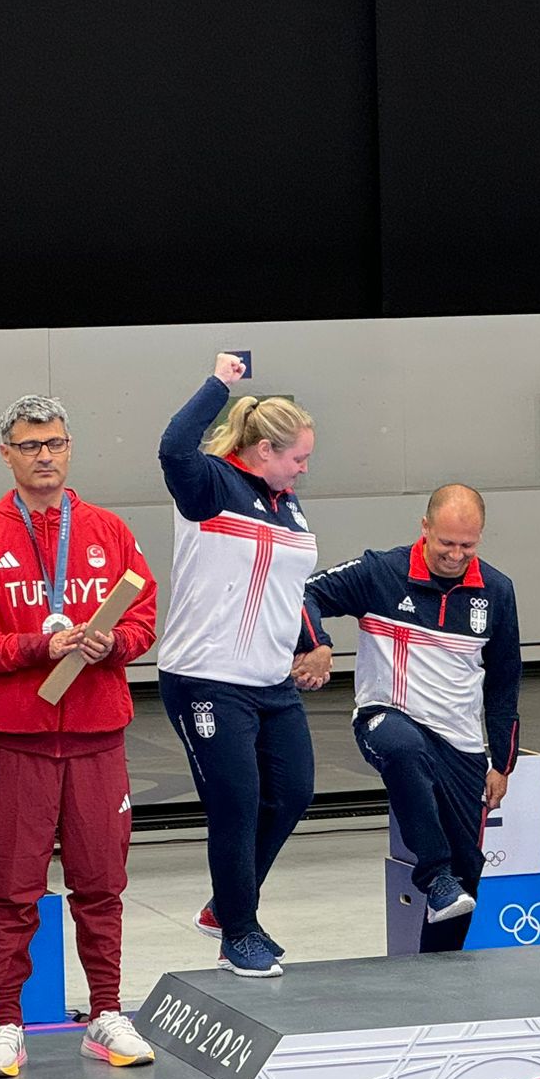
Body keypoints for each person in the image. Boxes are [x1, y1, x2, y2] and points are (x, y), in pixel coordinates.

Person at [0, 396, 160, 1077]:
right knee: (11, 887)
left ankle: (105, 1011)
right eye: (32, 445)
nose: (46, 456)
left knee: (102, 883)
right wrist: (40, 645)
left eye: (57, 444)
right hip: (17, 737)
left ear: (71, 449)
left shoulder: (109, 530)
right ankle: (6, 1021)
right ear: (5, 453)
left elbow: (145, 618)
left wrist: (113, 642)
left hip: (96, 732)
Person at [294, 485, 521, 951]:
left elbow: (504, 683)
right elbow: (303, 591)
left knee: (468, 876)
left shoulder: (497, 591)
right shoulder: (381, 572)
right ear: (424, 528)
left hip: (460, 743)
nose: (455, 555)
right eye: (446, 543)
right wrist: (316, 643)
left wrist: (502, 761)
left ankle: (441, 976)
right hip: (387, 716)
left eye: (468, 545)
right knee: (404, 747)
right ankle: (432, 872)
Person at [157, 353, 319, 978]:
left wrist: (314, 638)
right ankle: (239, 933)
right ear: (264, 449)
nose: (305, 469)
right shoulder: (211, 485)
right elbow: (173, 445)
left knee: (294, 793)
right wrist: (219, 384)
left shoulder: (289, 507)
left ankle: (226, 905)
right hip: (206, 678)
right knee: (237, 802)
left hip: (272, 681)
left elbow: (291, 585)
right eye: (298, 458)